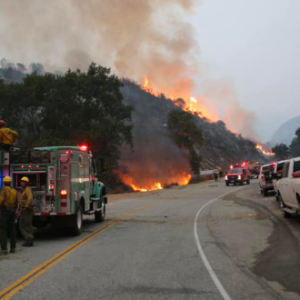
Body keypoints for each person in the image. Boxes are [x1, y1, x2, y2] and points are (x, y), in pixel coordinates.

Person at [0, 176, 18, 255]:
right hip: (12, 211)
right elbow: (17, 201)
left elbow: (0, 201)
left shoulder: (3, 190)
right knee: (12, 229)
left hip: (5, 211)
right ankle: (13, 248)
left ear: (3, 183)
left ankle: (4, 249)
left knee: (3, 229)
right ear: (10, 183)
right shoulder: (14, 191)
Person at [19, 177, 34, 247]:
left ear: (26, 183)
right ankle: (29, 241)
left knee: (23, 225)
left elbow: (30, 198)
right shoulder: (25, 190)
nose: (21, 183)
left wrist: (26, 206)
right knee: (27, 225)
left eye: (23, 182)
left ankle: (28, 238)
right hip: (25, 209)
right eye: (21, 181)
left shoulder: (27, 189)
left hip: (26, 209)